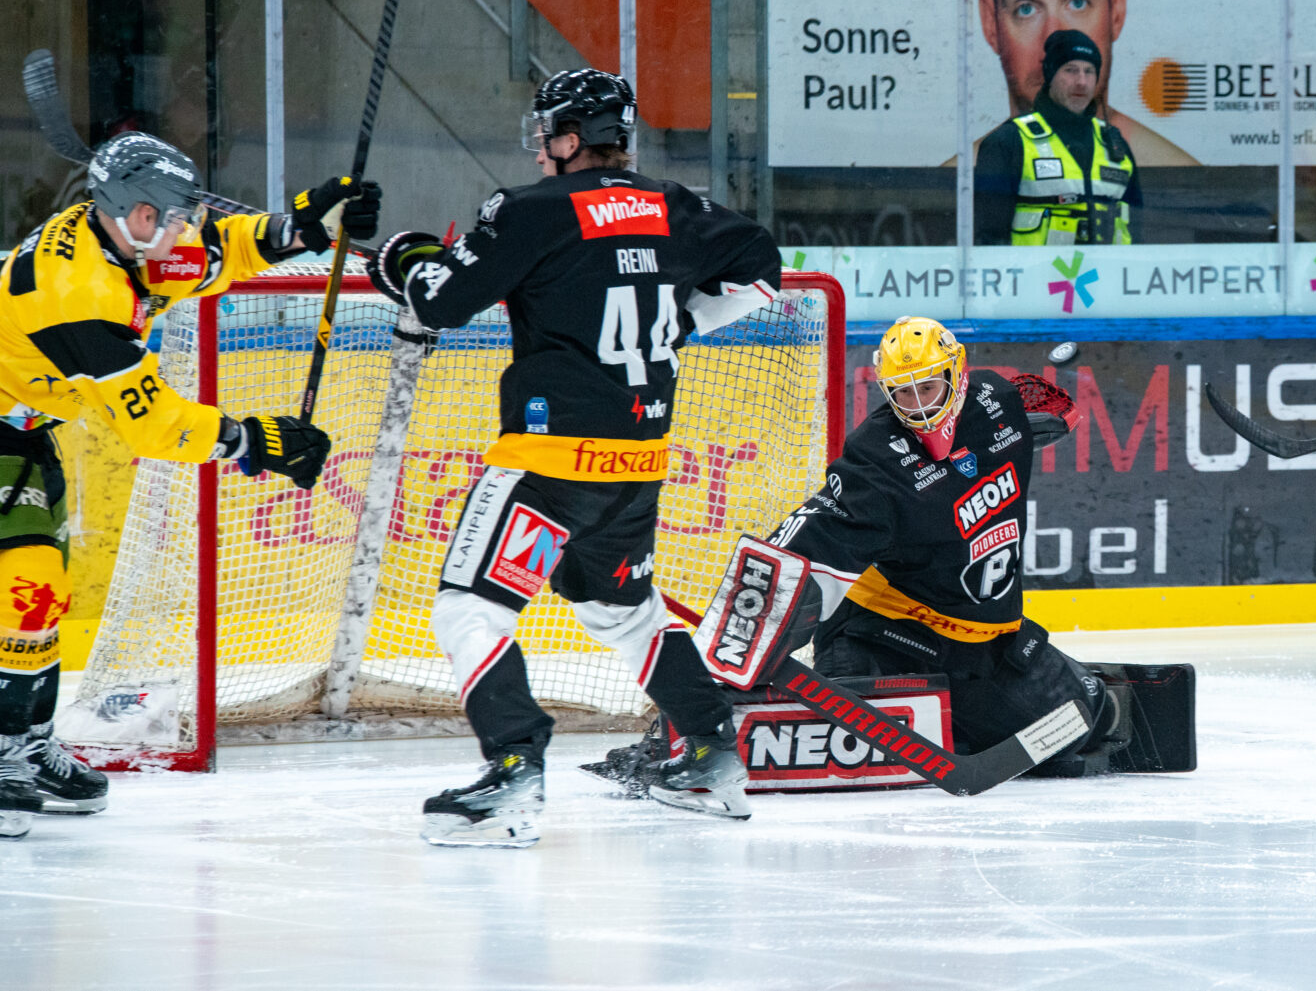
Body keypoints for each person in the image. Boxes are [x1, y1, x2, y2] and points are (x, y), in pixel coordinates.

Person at [371, 68, 782, 847]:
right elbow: (763, 265)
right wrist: (683, 322)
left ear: (569, 138)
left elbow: (438, 299)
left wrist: (404, 258)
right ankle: (712, 756)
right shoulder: (674, 206)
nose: (540, 150)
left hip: (550, 465)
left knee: (469, 607)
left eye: (547, 135)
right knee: (623, 611)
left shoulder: (531, 210)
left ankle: (514, 771)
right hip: (636, 467)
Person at [590, 317, 1194, 793]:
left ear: (957, 374)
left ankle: (984, 707)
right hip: (888, 634)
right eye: (901, 392)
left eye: (928, 387)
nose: (918, 406)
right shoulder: (877, 460)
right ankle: (697, 730)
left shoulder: (996, 401)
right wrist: (712, 678)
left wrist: (1045, 412)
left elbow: (1050, 404)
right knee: (841, 743)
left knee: (1086, 722)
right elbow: (798, 553)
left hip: (986, 641)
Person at [0, 133, 375, 838]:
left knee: (42, 595)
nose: (180, 230)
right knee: (27, 582)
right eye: (171, 217)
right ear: (136, 212)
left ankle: (28, 743)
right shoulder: (76, 293)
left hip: (23, 431)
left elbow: (217, 251)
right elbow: (151, 426)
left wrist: (300, 227)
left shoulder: (124, 234)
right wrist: (251, 440)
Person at [973, 0, 1196, 167]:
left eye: (1077, 2)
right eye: (1026, 9)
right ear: (991, 23)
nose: (1055, 43)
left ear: (1116, 10)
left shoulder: (1176, 170)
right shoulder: (964, 175)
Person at [974, 29, 1144, 246]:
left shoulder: (1114, 144)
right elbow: (989, 240)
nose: (1081, 82)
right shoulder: (1010, 141)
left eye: (1089, 71)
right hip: (1037, 268)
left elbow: (1137, 231)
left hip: (1106, 268)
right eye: (1070, 70)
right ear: (1050, 75)